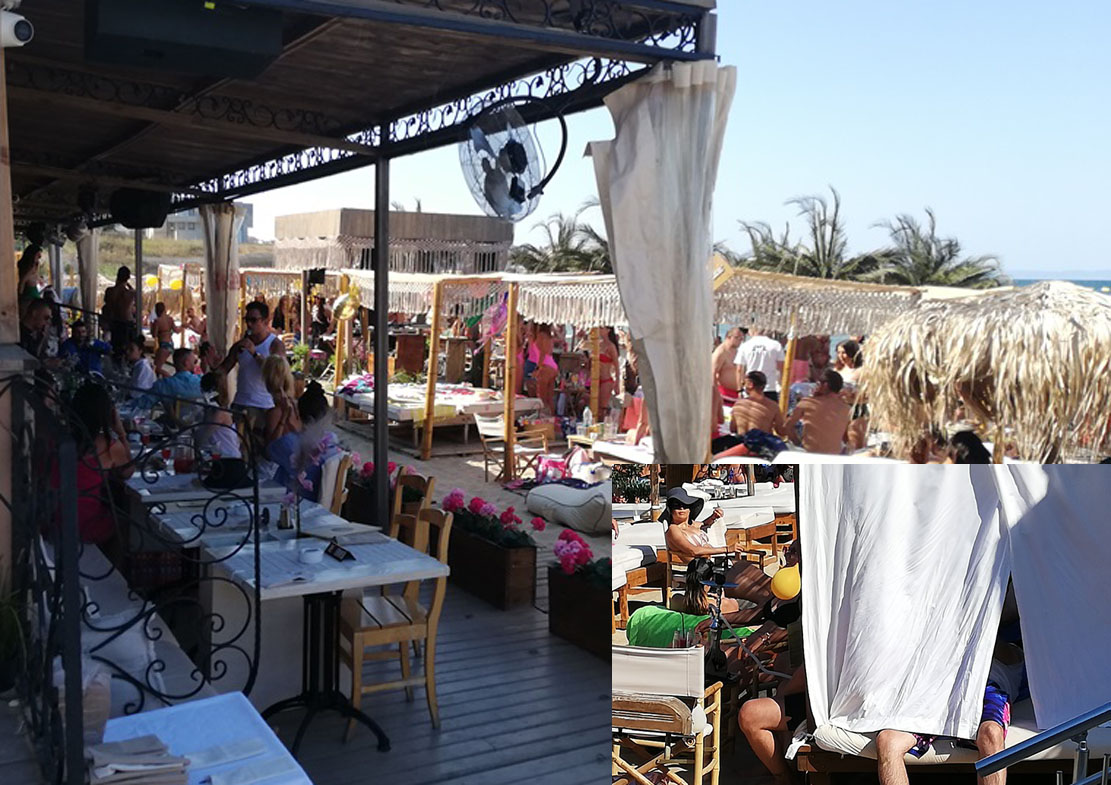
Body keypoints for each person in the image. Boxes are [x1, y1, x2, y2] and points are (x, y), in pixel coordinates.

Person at [874, 643, 1023, 785]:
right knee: (888, 740)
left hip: (986, 686)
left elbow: (1004, 643)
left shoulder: (1008, 648)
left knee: (991, 733)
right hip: (937, 686)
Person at [661, 487, 775, 607]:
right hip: (704, 570)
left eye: (685, 505)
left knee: (759, 577)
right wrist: (727, 549)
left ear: (690, 508)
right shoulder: (673, 530)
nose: (681, 508)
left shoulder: (692, 525)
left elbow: (704, 524)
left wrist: (713, 517)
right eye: (676, 506)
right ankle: (771, 607)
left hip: (718, 563)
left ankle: (781, 597)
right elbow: (693, 550)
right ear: (670, 509)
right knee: (753, 587)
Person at [69, 382, 134, 545]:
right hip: (86, 523)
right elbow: (128, 472)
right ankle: (116, 560)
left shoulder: (61, 439)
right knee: (130, 521)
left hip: (56, 518)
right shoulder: (108, 445)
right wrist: (121, 432)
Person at [221, 301, 281, 443]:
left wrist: (255, 354)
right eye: (247, 320)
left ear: (265, 321)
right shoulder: (241, 345)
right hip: (240, 403)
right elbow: (223, 370)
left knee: (259, 447)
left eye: (254, 320)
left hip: (264, 405)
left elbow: (276, 373)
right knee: (238, 446)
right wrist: (213, 365)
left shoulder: (274, 344)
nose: (249, 324)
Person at [783, 369, 851, 454]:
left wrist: (798, 444)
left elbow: (787, 427)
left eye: (818, 384)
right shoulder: (846, 408)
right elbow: (846, 438)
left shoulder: (808, 402)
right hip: (834, 456)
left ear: (825, 385)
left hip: (809, 454)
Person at [138, 348, 202, 416]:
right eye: (195, 362)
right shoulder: (201, 381)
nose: (196, 365)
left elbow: (143, 404)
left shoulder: (164, 385)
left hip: (172, 421)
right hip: (198, 421)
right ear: (186, 363)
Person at [198, 370, 242, 459]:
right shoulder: (210, 410)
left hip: (229, 459)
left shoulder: (220, 413)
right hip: (216, 457)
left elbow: (203, 437)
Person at [735, 328, 785, 402]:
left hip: (751, 387)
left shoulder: (745, 346)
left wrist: (739, 389)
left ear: (752, 330)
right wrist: (782, 386)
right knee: (770, 408)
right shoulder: (776, 345)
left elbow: (739, 369)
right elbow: (781, 368)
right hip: (770, 387)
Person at [731, 371, 785, 436]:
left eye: (744, 383)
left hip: (741, 440)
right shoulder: (773, 406)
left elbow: (733, 428)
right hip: (761, 441)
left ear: (750, 384)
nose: (743, 386)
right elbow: (781, 431)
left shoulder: (738, 404)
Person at [103, 266, 135, 358]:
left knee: (115, 349)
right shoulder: (130, 293)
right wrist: (128, 285)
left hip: (113, 322)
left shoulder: (109, 291)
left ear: (117, 276)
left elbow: (106, 305)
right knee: (127, 350)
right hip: (126, 323)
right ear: (128, 278)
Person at [714, 327, 745, 406]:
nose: (740, 341)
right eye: (737, 338)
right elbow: (713, 373)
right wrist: (715, 393)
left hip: (738, 393)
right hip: (724, 394)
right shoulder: (721, 352)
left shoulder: (737, 351)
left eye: (741, 339)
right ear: (729, 337)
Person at [150, 302, 179, 377]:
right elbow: (177, 330)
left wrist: (152, 326)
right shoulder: (170, 319)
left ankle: (170, 378)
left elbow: (154, 335)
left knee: (157, 367)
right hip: (170, 343)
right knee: (157, 365)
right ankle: (161, 379)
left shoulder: (157, 321)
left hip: (163, 345)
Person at [17, 243, 43, 311]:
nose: (38, 259)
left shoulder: (35, 265)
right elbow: (22, 282)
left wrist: (40, 280)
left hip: (34, 293)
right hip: (28, 296)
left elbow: (36, 276)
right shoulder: (27, 268)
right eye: (38, 256)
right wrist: (20, 296)